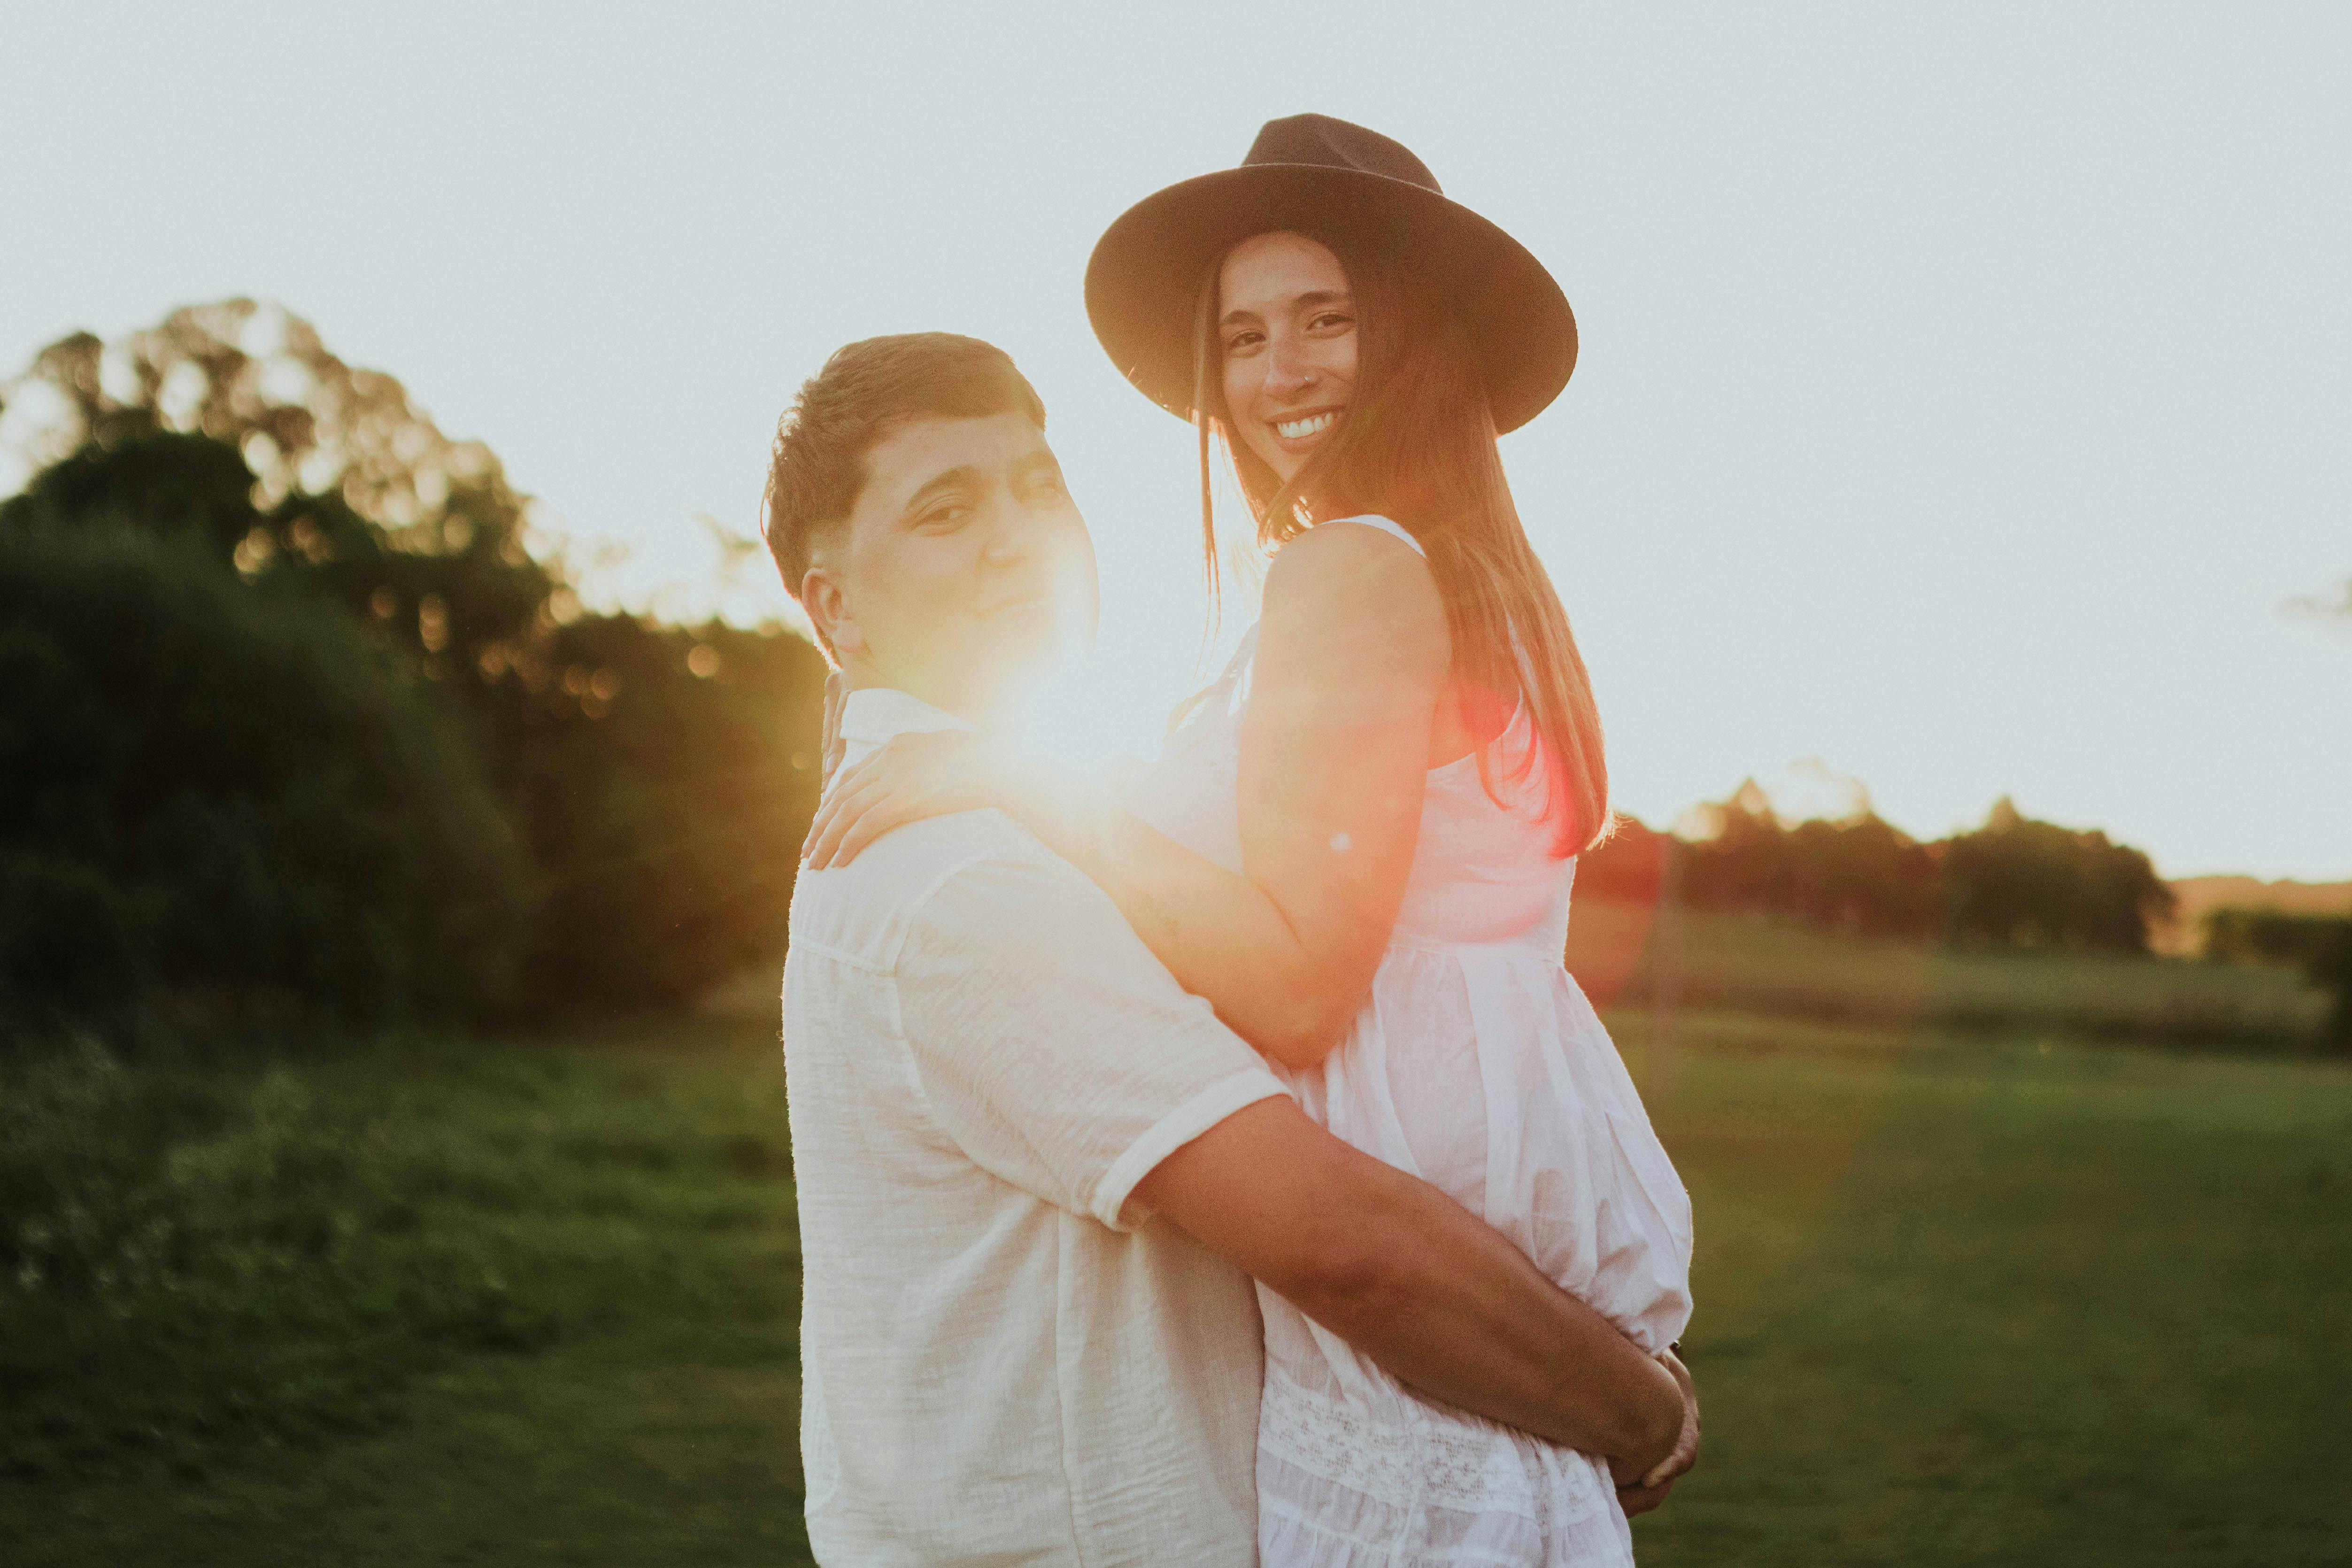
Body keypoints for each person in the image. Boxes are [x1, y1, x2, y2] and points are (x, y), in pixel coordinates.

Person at [804, 117, 1697, 1565]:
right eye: (1242, 334)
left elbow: (1296, 982)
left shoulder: (1352, 567)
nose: (1280, 373)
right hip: (1440, 1275)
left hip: (1392, 1283)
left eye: (1327, 319)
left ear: (1408, 331)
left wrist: (1034, 786)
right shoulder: (1456, 571)